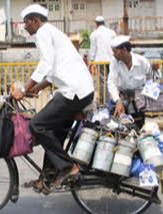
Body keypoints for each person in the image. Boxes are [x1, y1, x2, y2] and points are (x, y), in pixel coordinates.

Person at [11, 4, 94, 194]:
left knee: (36, 125)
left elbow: (46, 64)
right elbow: (54, 70)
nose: (24, 27)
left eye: (26, 23)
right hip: (79, 90)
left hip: (73, 92)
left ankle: (67, 168)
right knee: (52, 130)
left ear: (35, 21)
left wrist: (24, 89)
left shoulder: (43, 33)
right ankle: (46, 179)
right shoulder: (52, 32)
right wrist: (37, 89)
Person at [107, 35, 151, 128]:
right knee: (117, 127)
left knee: (139, 128)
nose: (113, 54)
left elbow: (151, 79)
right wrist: (118, 101)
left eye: (115, 51)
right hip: (123, 99)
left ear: (124, 50)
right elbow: (111, 82)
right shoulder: (114, 63)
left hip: (139, 101)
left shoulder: (142, 62)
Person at [89, 16, 116, 105]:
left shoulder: (94, 34)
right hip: (111, 60)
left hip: (100, 61)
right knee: (111, 80)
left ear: (96, 24)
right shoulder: (111, 33)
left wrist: (91, 62)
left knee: (102, 82)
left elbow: (93, 50)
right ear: (104, 23)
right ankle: (112, 99)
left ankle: (104, 100)